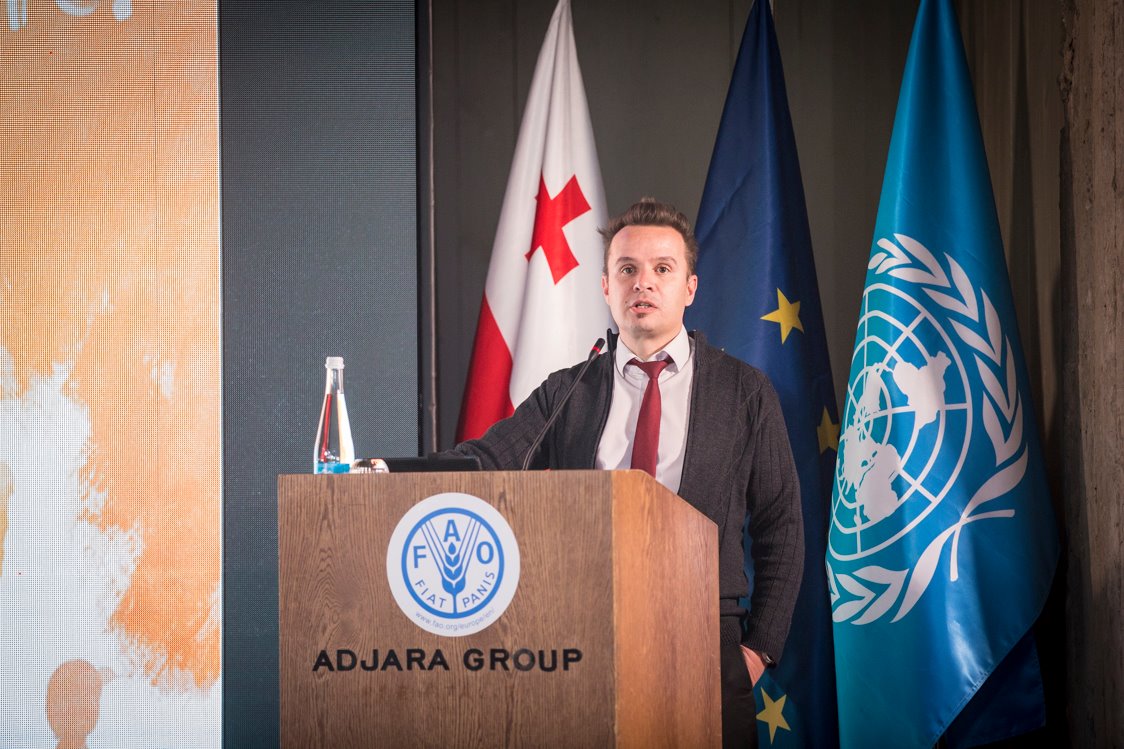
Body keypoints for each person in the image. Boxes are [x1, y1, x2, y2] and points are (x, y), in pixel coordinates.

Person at [451, 198, 803, 748]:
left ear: (689, 288)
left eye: (662, 268)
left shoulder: (744, 392)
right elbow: (486, 461)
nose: (644, 282)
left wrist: (757, 652)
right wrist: (384, 471)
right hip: (584, 644)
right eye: (627, 269)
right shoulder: (569, 390)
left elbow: (782, 528)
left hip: (707, 648)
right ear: (606, 287)